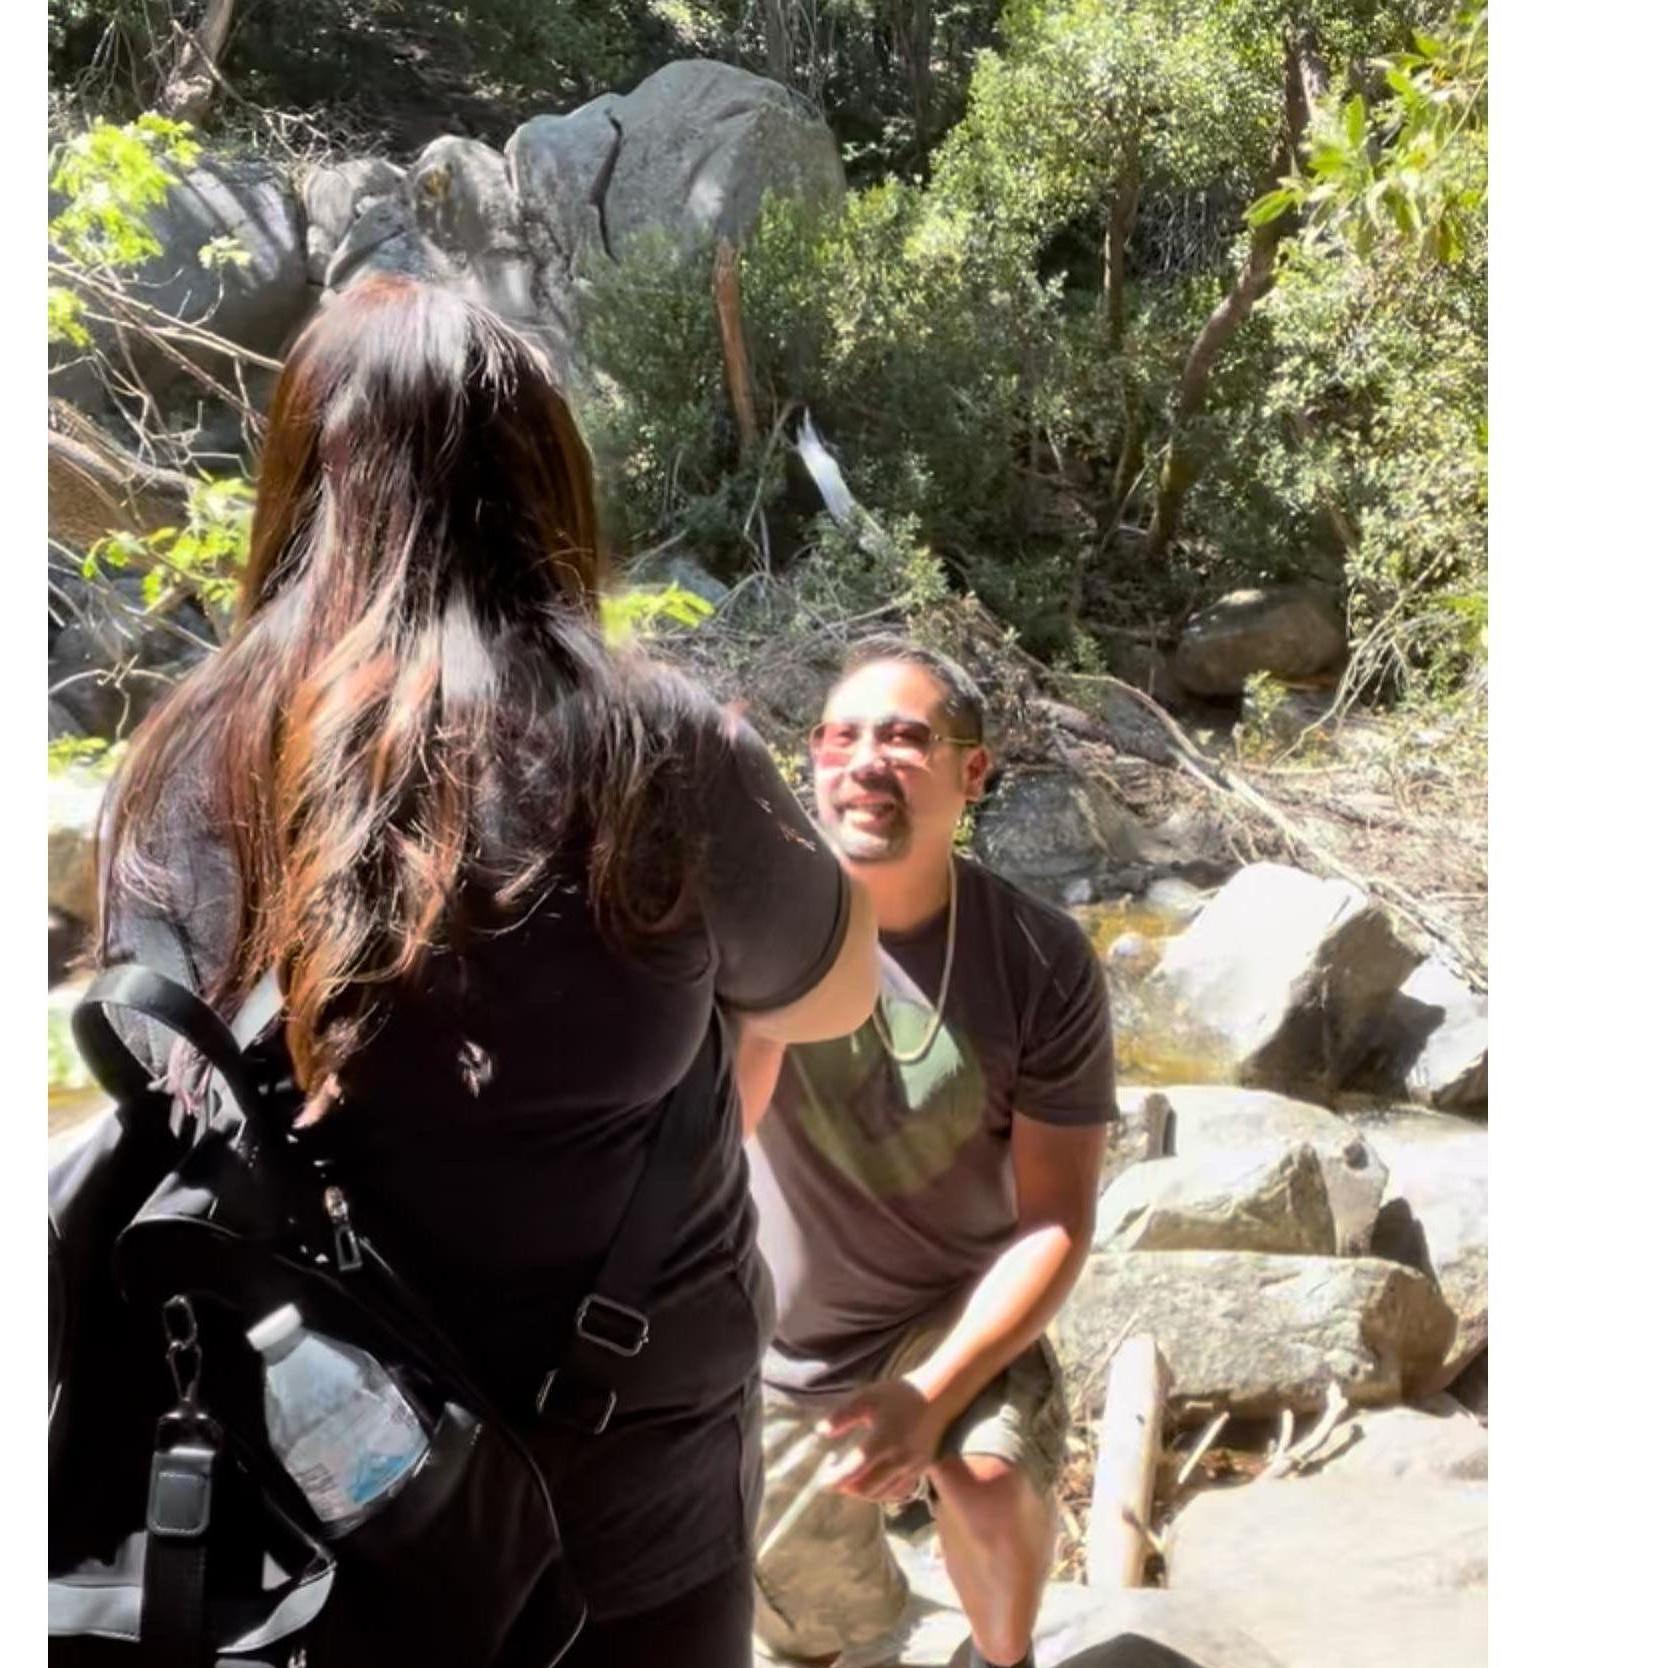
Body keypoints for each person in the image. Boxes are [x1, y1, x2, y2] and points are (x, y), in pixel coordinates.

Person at [93, 273, 878, 1666]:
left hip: (320, 1528)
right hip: (627, 1522)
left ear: (298, 489)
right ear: (543, 488)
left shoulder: (174, 769)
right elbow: (833, 993)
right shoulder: (658, 750)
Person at [739, 639, 1115, 1668]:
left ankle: (1005, 1657)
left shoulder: (1039, 959)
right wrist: (770, 982)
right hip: (778, 1356)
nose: (867, 760)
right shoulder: (742, 929)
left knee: (988, 1489)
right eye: (842, 735)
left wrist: (934, 1393)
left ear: (971, 772)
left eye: (907, 738)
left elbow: (1057, 1218)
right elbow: (706, 1139)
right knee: (829, 1640)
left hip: (950, 1315)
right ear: (810, 760)